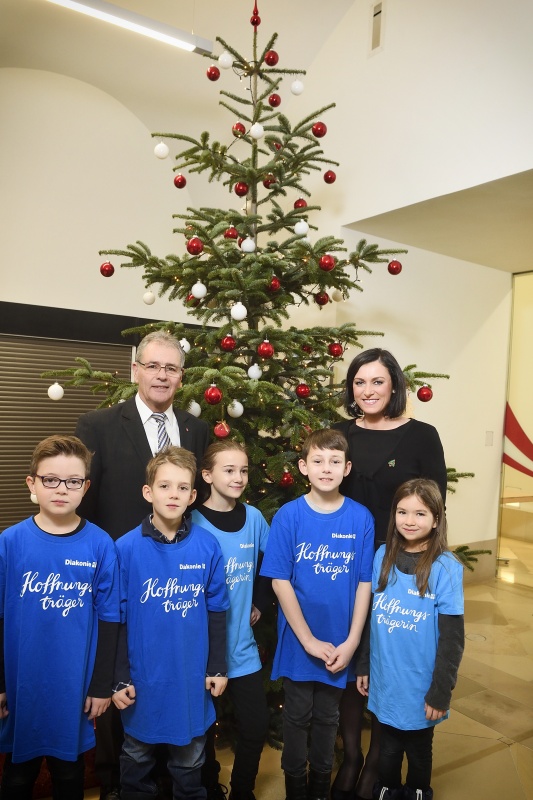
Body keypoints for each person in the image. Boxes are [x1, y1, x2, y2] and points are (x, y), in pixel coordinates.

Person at [75, 329, 210, 799]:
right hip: (122, 575)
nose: (161, 375)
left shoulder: (195, 428)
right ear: (135, 370)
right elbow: (84, 508)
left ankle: (176, 785)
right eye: (152, 366)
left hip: (182, 576)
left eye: (170, 368)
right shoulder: (98, 426)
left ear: (181, 377)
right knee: (123, 678)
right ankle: (118, 784)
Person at [332, 348, 447, 800]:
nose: (368, 391)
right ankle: (352, 755)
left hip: (399, 567)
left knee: (385, 661)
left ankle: (378, 761)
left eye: (378, 381)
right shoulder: (339, 435)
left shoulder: (422, 435)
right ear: (351, 389)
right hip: (342, 562)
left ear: (395, 386)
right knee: (347, 658)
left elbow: (435, 503)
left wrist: (424, 565)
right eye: (360, 382)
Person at [0, 435, 120, 800]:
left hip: (75, 687)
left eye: (72, 481)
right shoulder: (9, 543)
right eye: (50, 479)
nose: (61, 489)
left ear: (85, 487)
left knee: (69, 775)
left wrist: (101, 687)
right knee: (18, 776)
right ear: (32, 483)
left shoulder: (100, 545)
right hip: (22, 685)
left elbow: (110, 620)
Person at [260, 429, 375, 800]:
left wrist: (353, 641)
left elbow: (364, 584)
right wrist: (308, 639)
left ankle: (320, 789)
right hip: (300, 641)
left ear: (347, 468)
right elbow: (280, 581)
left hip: (341, 642)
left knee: (329, 718)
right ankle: (295, 787)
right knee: (296, 717)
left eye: (335, 461)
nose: (326, 468)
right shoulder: (288, 517)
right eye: (318, 461)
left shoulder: (361, 518)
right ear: (303, 467)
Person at [112, 446, 230, 800]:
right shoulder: (125, 549)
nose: (173, 494)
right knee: (136, 757)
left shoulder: (207, 546)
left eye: (182, 488)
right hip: (142, 676)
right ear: (148, 492)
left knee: (190, 760)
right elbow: (114, 618)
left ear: (193, 495)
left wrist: (218, 667)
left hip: (190, 676)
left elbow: (217, 610)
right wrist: (118, 677)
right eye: (164, 486)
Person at [357, 479, 464, 800]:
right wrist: (363, 665)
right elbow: (368, 620)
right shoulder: (381, 557)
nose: (409, 520)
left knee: (418, 749)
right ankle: (387, 789)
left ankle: (418, 791)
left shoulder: (445, 568)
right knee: (387, 747)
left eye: (420, 513)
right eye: (402, 512)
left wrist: (441, 691)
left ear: (436, 518)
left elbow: (452, 640)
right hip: (386, 679)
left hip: (423, 684)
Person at [191, 441, 270, 800]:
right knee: (202, 734)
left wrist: (259, 600)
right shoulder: (191, 521)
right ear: (206, 475)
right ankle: (209, 789)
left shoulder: (254, 518)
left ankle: (242, 791)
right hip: (201, 654)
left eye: (244, 470)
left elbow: (272, 566)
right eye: (228, 470)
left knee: (255, 726)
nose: (238, 478)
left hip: (242, 647)